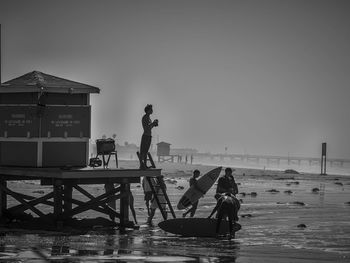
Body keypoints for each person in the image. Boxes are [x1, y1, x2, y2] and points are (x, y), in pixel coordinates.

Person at [139, 104, 158, 170]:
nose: (152, 110)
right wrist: (153, 124)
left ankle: (144, 165)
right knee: (143, 152)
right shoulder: (145, 117)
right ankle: (142, 165)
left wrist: (154, 124)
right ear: (148, 110)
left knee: (146, 152)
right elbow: (146, 128)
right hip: (146, 136)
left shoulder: (148, 118)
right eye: (151, 109)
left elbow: (150, 127)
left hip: (149, 136)